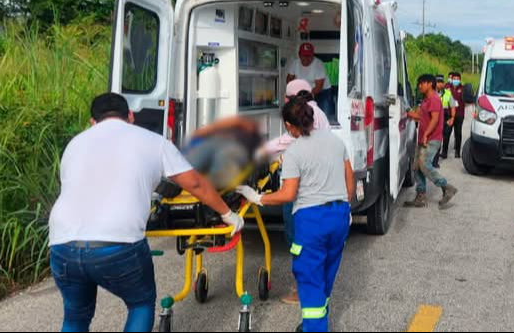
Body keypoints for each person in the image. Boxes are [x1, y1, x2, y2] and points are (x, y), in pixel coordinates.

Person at [47, 93, 245, 333]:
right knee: (140, 304)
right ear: (130, 116)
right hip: (118, 242)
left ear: (92, 122)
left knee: (75, 318)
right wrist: (228, 214)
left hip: (62, 242)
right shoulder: (153, 141)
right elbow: (195, 184)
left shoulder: (74, 144)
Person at [236, 98, 354, 333]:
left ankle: (314, 327)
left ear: (290, 126)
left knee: (309, 280)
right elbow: (349, 183)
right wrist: (344, 209)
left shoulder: (294, 152)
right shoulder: (336, 142)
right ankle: (314, 323)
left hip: (312, 220)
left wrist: (258, 197)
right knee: (325, 275)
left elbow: (288, 194)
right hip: (339, 215)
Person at [262, 79, 331, 306]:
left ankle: (301, 290)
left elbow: (283, 142)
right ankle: (314, 285)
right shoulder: (318, 114)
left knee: (296, 241)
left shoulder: (303, 120)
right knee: (314, 242)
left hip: (301, 192)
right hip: (320, 191)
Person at [406, 74, 459, 209]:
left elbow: (435, 120)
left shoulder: (434, 99)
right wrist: (406, 111)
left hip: (431, 139)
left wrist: (426, 134)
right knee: (417, 166)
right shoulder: (425, 101)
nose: (419, 86)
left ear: (429, 84)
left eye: (421, 83)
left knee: (424, 165)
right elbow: (419, 116)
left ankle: (446, 187)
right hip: (423, 138)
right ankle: (420, 196)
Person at [287, 43, 335, 118]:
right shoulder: (295, 63)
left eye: (309, 56)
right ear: (299, 55)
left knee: (325, 115)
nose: (307, 58)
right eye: (304, 55)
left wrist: (305, 97)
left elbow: (318, 87)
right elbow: (289, 80)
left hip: (323, 92)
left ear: (313, 55)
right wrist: (295, 93)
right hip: (304, 93)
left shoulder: (318, 64)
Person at [442, 72, 466, 159]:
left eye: (457, 79)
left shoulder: (463, 89)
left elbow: (467, 101)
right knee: (447, 133)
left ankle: (457, 152)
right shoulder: (447, 88)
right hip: (449, 114)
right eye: (454, 79)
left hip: (459, 114)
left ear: (460, 80)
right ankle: (444, 152)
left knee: (458, 133)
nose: (455, 80)